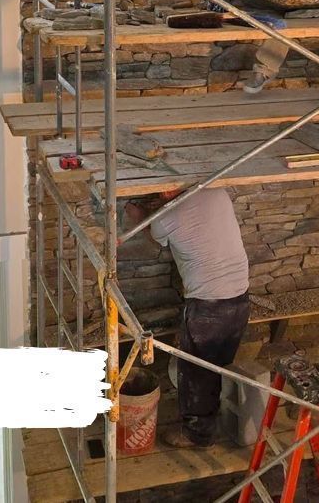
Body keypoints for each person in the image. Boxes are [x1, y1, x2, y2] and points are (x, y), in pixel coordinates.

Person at [123, 187, 249, 449]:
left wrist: (139, 217)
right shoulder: (217, 192)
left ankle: (197, 436)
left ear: (167, 190)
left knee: (195, 373)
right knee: (219, 366)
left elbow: (154, 236)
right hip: (240, 298)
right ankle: (224, 420)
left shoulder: (164, 219)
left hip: (208, 307)